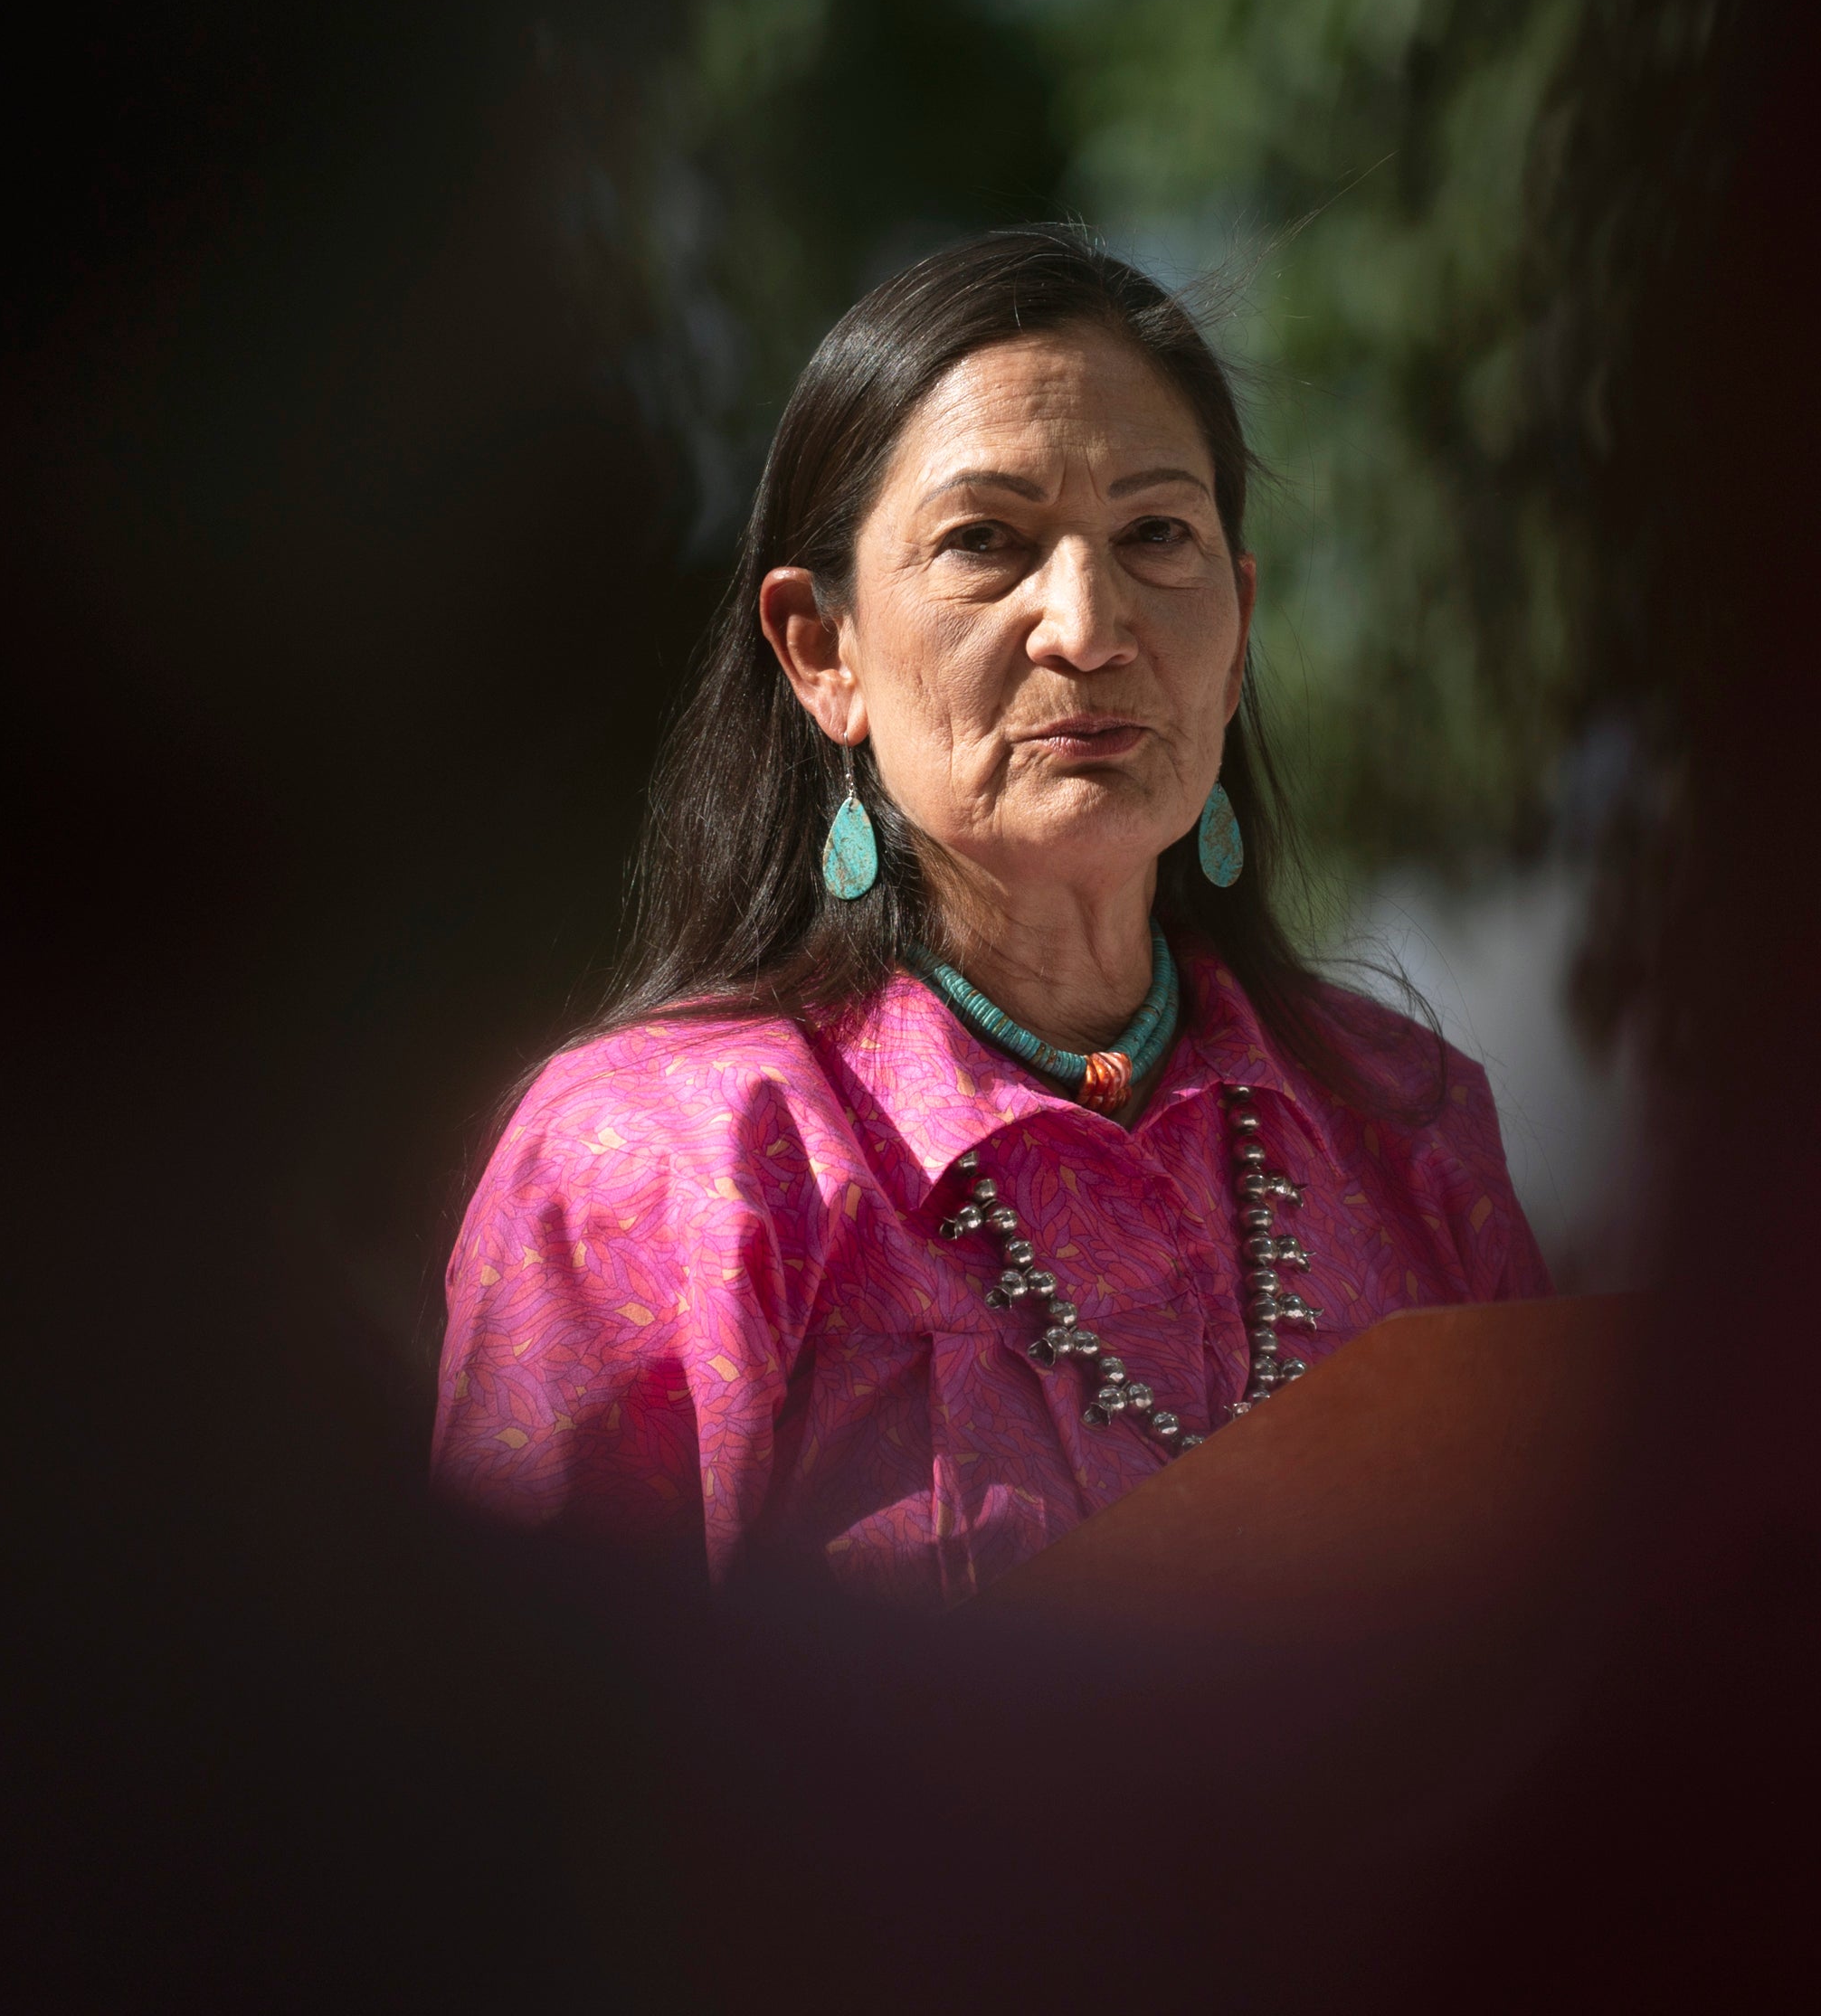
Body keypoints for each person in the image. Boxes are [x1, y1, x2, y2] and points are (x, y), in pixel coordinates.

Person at [431, 230, 1549, 1605]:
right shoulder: (662, 1165)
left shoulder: (1405, 1120)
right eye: (986, 543)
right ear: (822, 651)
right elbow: (525, 1762)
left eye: (1156, 536)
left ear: (1239, 624)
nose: (1087, 626)